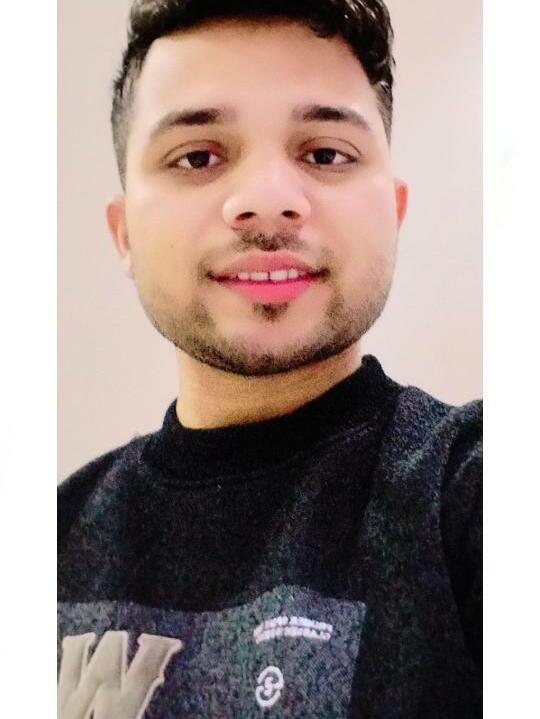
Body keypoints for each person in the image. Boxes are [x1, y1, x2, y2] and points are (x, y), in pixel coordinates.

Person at [58, 1, 482, 717]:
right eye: (198, 157)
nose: (266, 200)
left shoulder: (473, 493)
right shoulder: (49, 538)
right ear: (124, 232)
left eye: (325, 155)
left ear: (395, 211)